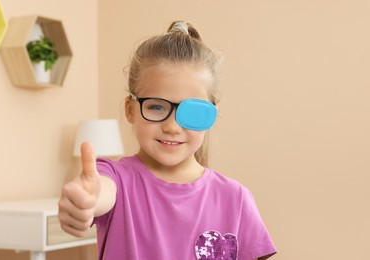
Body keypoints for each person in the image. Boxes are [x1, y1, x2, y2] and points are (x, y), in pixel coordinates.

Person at [58, 21, 277, 260]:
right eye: (156, 107)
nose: (172, 126)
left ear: (211, 115)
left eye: (191, 111)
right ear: (130, 109)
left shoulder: (236, 198)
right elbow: (101, 192)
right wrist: (86, 202)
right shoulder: (116, 179)